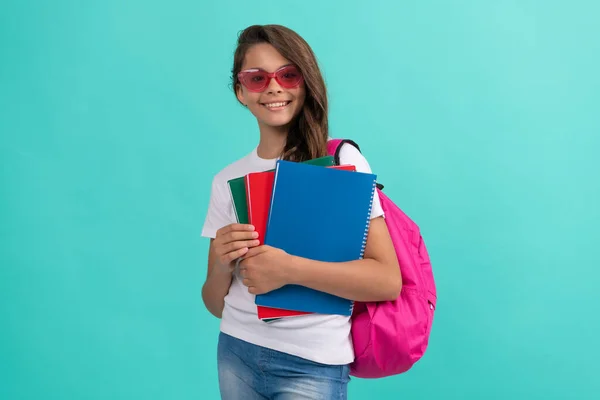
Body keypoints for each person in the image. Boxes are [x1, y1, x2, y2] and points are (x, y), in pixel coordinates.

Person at [201, 24, 401, 400]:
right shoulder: (227, 180)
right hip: (236, 351)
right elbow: (214, 302)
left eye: (288, 75)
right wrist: (222, 265)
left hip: (312, 362)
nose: (274, 87)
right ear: (240, 92)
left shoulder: (342, 162)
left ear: (305, 82)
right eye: (257, 78)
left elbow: (387, 280)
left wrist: (288, 269)